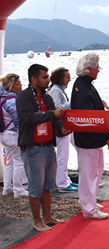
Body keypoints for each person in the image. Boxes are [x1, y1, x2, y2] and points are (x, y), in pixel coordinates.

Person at [16, 64, 71, 232]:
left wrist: (61, 128)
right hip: (33, 148)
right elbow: (29, 117)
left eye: (47, 77)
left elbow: (55, 118)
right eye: (45, 77)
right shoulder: (23, 96)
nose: (48, 80)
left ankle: (47, 217)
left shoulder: (47, 97)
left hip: (48, 146)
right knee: (35, 187)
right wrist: (52, 115)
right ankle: (37, 221)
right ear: (34, 79)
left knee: (48, 185)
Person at [71, 52, 109, 220]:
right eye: (97, 67)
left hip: (92, 138)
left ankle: (90, 201)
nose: (98, 70)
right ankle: (89, 209)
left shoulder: (85, 84)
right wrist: (107, 136)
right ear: (89, 69)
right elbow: (90, 118)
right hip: (88, 138)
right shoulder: (82, 87)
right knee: (89, 174)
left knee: (96, 171)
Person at [49, 67, 78, 192]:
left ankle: (66, 180)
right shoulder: (55, 90)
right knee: (63, 155)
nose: (69, 80)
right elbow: (57, 108)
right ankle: (62, 184)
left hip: (64, 125)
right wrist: (72, 103)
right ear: (60, 78)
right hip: (60, 127)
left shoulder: (59, 90)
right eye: (67, 77)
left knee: (64, 155)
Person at [0, 74, 28, 198]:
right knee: (19, 161)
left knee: (10, 162)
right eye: (18, 84)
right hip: (13, 134)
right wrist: (23, 136)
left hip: (4, 134)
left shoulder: (3, 99)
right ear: (11, 86)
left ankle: (7, 188)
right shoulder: (12, 101)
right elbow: (18, 121)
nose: (21, 85)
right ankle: (18, 189)